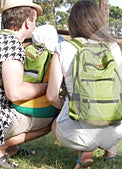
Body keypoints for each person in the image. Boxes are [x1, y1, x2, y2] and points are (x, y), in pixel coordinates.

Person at [46, 1, 122, 169]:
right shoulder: (114, 47)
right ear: (99, 21)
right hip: (117, 130)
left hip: (76, 134)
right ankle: (110, 150)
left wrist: (70, 107)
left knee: (55, 123)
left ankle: (85, 154)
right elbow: (121, 90)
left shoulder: (63, 48)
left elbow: (51, 96)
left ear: (73, 22)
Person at [0, 1, 53, 168]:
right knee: (53, 118)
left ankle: (13, 147)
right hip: (2, 115)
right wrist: (47, 87)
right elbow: (15, 93)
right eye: (35, 21)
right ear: (28, 22)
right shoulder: (12, 44)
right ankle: (2, 148)